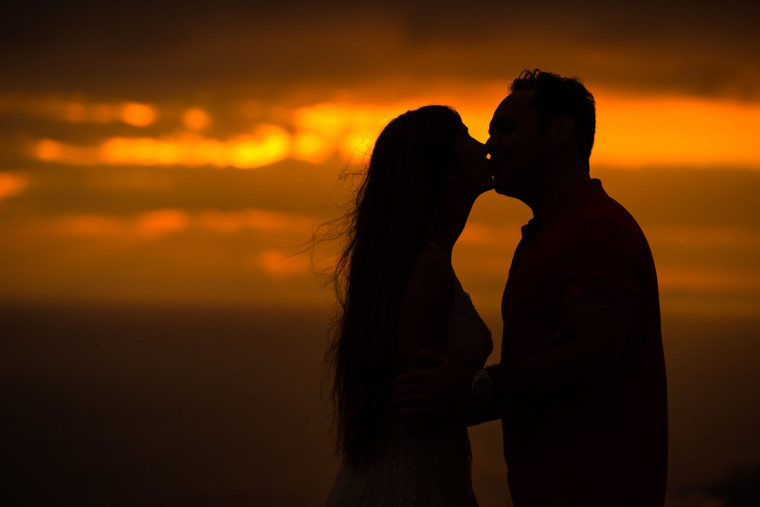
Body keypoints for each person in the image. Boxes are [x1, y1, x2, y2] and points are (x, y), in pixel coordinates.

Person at [394, 70, 668, 507]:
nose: (491, 146)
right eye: (488, 133)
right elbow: (547, 378)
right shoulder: (550, 235)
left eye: (507, 128)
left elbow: (596, 358)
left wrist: (475, 386)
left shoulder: (595, 229)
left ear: (560, 131)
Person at [324, 105, 495, 505]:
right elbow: (424, 406)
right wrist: (492, 390)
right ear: (445, 168)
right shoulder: (427, 266)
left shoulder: (414, 259)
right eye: (467, 136)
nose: (484, 147)